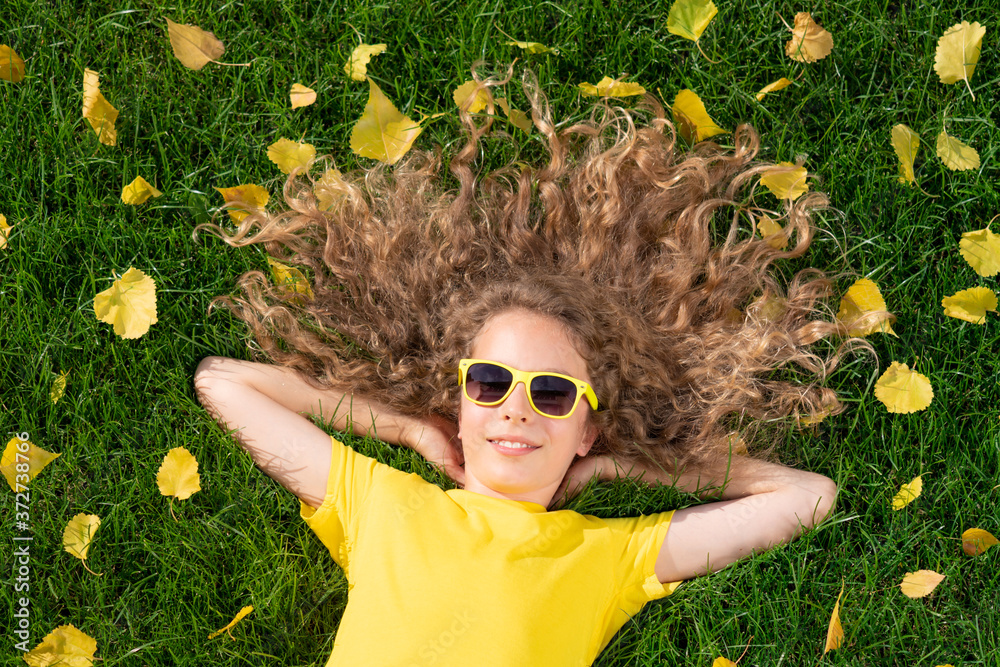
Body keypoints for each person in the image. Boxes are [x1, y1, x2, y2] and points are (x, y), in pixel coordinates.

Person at [193, 71, 843, 665]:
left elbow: (808, 497)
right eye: (491, 381)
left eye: (554, 392)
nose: (516, 406)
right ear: (462, 401)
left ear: (587, 428)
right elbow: (224, 382)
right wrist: (409, 430)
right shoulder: (382, 501)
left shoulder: (604, 553)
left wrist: (629, 465)